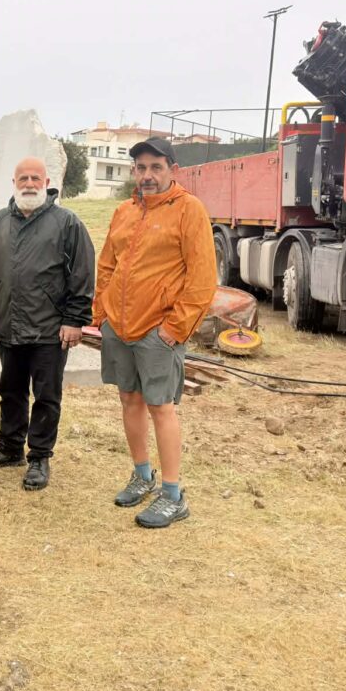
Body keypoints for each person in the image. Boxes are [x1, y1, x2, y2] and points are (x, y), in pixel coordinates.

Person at [93, 136, 216, 528]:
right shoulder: (124, 211)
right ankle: (142, 475)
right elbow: (107, 265)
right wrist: (102, 315)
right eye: (141, 168)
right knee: (129, 399)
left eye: (156, 168)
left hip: (157, 331)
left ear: (172, 170)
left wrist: (174, 329)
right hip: (119, 327)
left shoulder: (189, 210)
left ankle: (173, 495)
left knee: (161, 407)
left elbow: (202, 278)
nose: (147, 175)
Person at [0, 157, 94, 490]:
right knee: (10, 391)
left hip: (50, 329)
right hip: (9, 325)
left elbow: (83, 274)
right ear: (13, 184)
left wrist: (74, 320)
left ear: (46, 183)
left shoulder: (67, 223)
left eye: (35, 178)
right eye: (23, 179)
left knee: (46, 396)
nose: (29, 184)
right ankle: (9, 448)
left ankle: (40, 457)